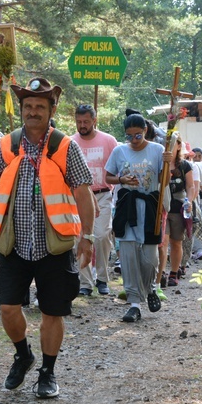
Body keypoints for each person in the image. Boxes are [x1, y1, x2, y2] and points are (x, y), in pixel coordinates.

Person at [0, 77, 95, 399]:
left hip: (54, 245)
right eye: (28, 106)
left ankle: (47, 371)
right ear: (22, 109)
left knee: (52, 312)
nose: (33, 112)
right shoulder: (7, 145)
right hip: (12, 243)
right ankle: (23, 355)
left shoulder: (64, 146)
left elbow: (83, 194)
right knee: (7, 308)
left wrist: (86, 236)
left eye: (39, 107)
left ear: (51, 109)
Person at [106, 113, 171, 322]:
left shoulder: (157, 150)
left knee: (149, 258)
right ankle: (134, 303)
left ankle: (150, 287)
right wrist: (121, 179)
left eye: (138, 136)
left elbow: (164, 181)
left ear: (145, 131)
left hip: (150, 207)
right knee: (128, 256)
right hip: (127, 207)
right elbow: (107, 176)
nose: (134, 140)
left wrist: (169, 164)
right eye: (130, 136)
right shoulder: (119, 151)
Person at [71, 104, 118, 296]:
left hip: (103, 194)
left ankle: (102, 278)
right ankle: (85, 283)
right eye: (79, 122)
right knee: (79, 238)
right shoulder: (70, 142)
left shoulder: (108, 141)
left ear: (94, 121)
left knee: (100, 236)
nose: (82, 125)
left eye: (86, 122)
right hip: (78, 198)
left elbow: (116, 168)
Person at [163, 138, 195, 287]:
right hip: (161, 208)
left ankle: (174, 272)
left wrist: (189, 201)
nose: (169, 146)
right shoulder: (160, 163)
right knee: (162, 242)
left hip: (177, 208)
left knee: (176, 242)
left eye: (173, 143)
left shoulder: (184, 166)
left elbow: (190, 186)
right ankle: (160, 273)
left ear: (179, 146)